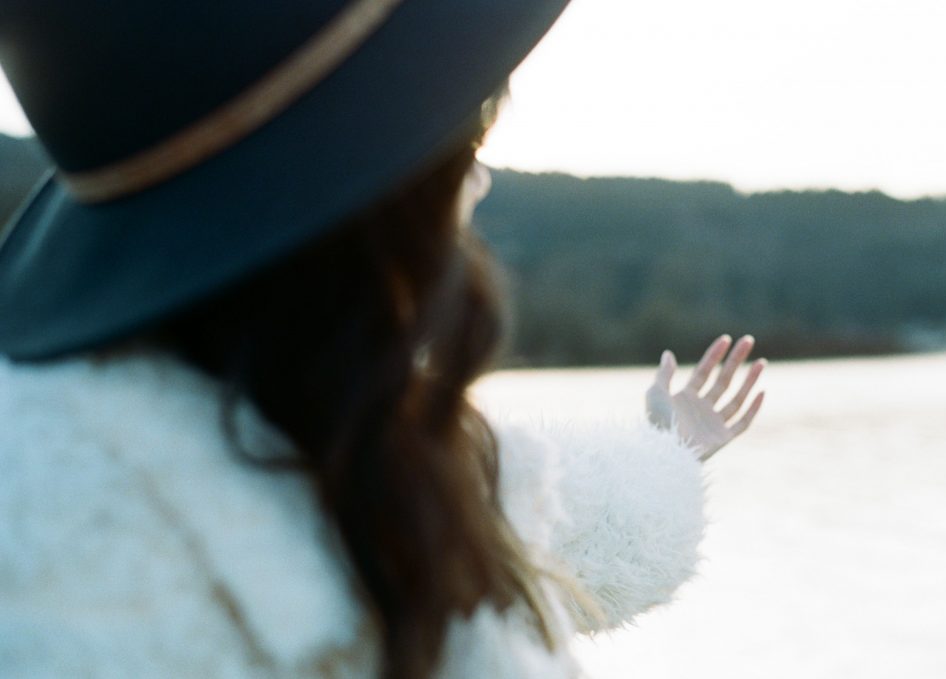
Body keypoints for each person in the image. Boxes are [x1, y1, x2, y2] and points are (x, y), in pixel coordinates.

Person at [0, 2, 765, 678]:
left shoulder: (360, 419)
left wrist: (677, 444)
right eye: (462, 144)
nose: (481, 180)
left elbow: (568, 514)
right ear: (375, 203)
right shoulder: (53, 553)